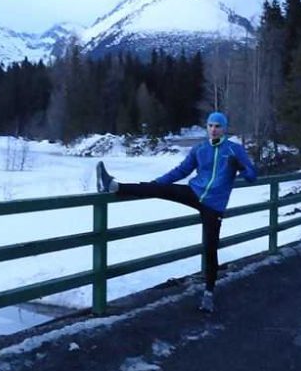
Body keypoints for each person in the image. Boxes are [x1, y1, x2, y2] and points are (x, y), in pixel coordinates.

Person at [96, 111, 257, 313]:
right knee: (162, 188)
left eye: (218, 126)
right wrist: (155, 185)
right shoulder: (200, 149)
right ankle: (114, 187)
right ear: (207, 127)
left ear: (224, 128)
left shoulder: (234, 150)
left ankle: (208, 293)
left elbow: (252, 176)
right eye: (210, 125)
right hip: (193, 192)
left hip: (214, 205)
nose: (213, 129)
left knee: (210, 247)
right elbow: (181, 171)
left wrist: (240, 166)